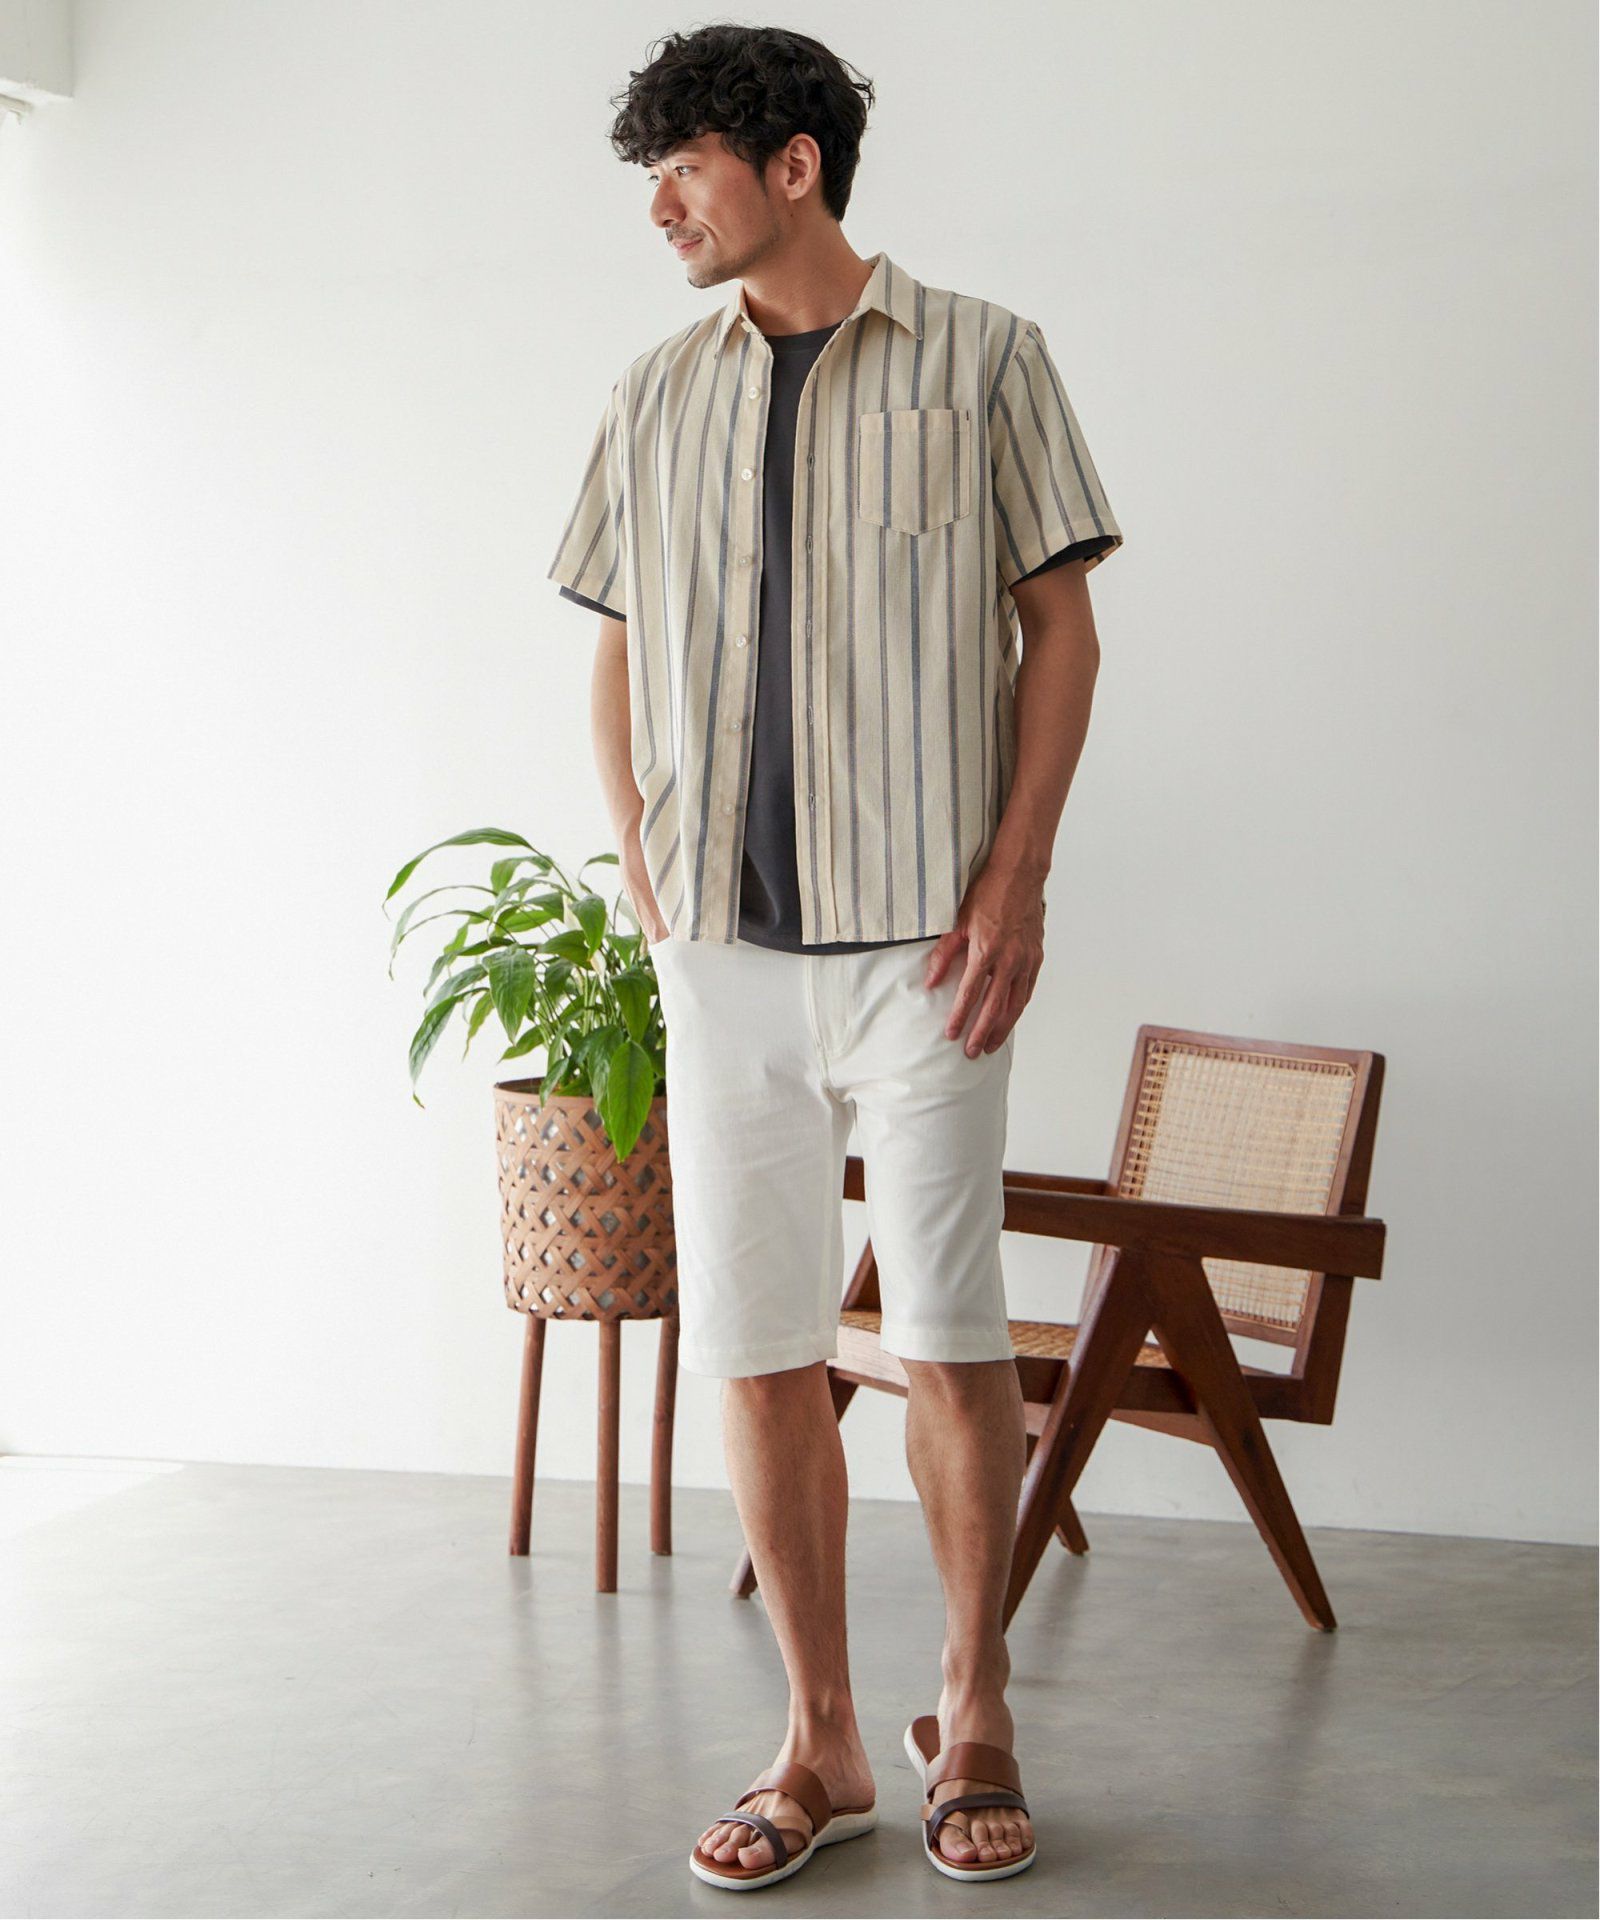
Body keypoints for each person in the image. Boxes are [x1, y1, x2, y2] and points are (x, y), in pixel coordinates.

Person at [548, 21, 1123, 1892]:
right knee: (758, 1343)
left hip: (928, 946)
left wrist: (1018, 877)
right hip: (722, 949)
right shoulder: (652, 393)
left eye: (686, 167)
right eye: (652, 176)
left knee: (949, 1336)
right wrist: (641, 856)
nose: (662, 206)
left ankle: (976, 1709)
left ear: (793, 165)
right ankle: (819, 1741)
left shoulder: (985, 360)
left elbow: (1062, 633)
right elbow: (615, 640)